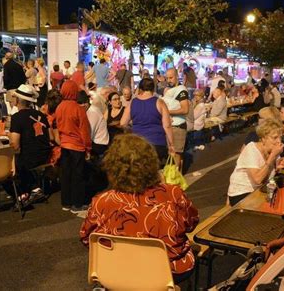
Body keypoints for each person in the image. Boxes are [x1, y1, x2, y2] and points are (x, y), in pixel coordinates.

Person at [79, 134, 199, 283]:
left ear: (111, 167)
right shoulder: (172, 194)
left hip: (117, 270)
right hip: (167, 272)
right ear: (151, 163)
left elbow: (87, 238)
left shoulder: (102, 201)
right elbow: (191, 223)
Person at [9, 84, 52, 208]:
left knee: (12, 165)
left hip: (30, 158)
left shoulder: (17, 118)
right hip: (45, 154)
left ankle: (23, 195)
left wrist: (9, 136)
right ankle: (35, 189)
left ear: (17, 101)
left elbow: (15, 145)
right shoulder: (41, 115)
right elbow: (51, 137)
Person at [227, 119, 284, 206]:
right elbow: (257, 180)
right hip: (241, 193)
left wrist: (278, 166)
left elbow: (269, 176)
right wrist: (272, 157)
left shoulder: (273, 151)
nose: (279, 141)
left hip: (259, 191)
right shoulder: (251, 149)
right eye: (274, 137)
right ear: (263, 138)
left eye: (280, 137)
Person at [56, 81, 92, 213]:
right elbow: (84, 130)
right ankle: (77, 204)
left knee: (66, 174)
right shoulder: (78, 109)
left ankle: (66, 202)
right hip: (77, 146)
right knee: (78, 175)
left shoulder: (59, 107)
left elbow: (58, 126)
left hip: (64, 144)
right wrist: (88, 148)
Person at [121, 78, 175, 163]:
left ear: (140, 89)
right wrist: (171, 145)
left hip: (138, 143)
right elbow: (167, 126)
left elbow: (123, 123)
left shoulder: (132, 103)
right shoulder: (160, 102)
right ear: (153, 88)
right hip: (157, 142)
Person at [164, 68, 189, 170]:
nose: (169, 80)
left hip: (178, 127)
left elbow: (185, 109)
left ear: (177, 76)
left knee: (176, 154)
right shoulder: (168, 90)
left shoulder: (181, 90)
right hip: (169, 126)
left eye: (171, 77)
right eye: (167, 78)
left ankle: (175, 178)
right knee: (173, 153)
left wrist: (167, 112)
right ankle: (177, 177)